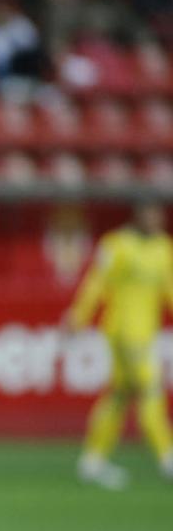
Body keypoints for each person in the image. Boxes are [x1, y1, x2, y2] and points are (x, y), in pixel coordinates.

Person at [67, 198, 173, 489]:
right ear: (138, 215)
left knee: (119, 395)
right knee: (151, 388)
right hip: (123, 333)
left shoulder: (164, 248)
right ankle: (167, 457)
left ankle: (92, 460)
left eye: (159, 215)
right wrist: (78, 316)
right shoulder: (116, 245)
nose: (155, 220)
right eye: (150, 213)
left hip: (147, 334)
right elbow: (96, 283)